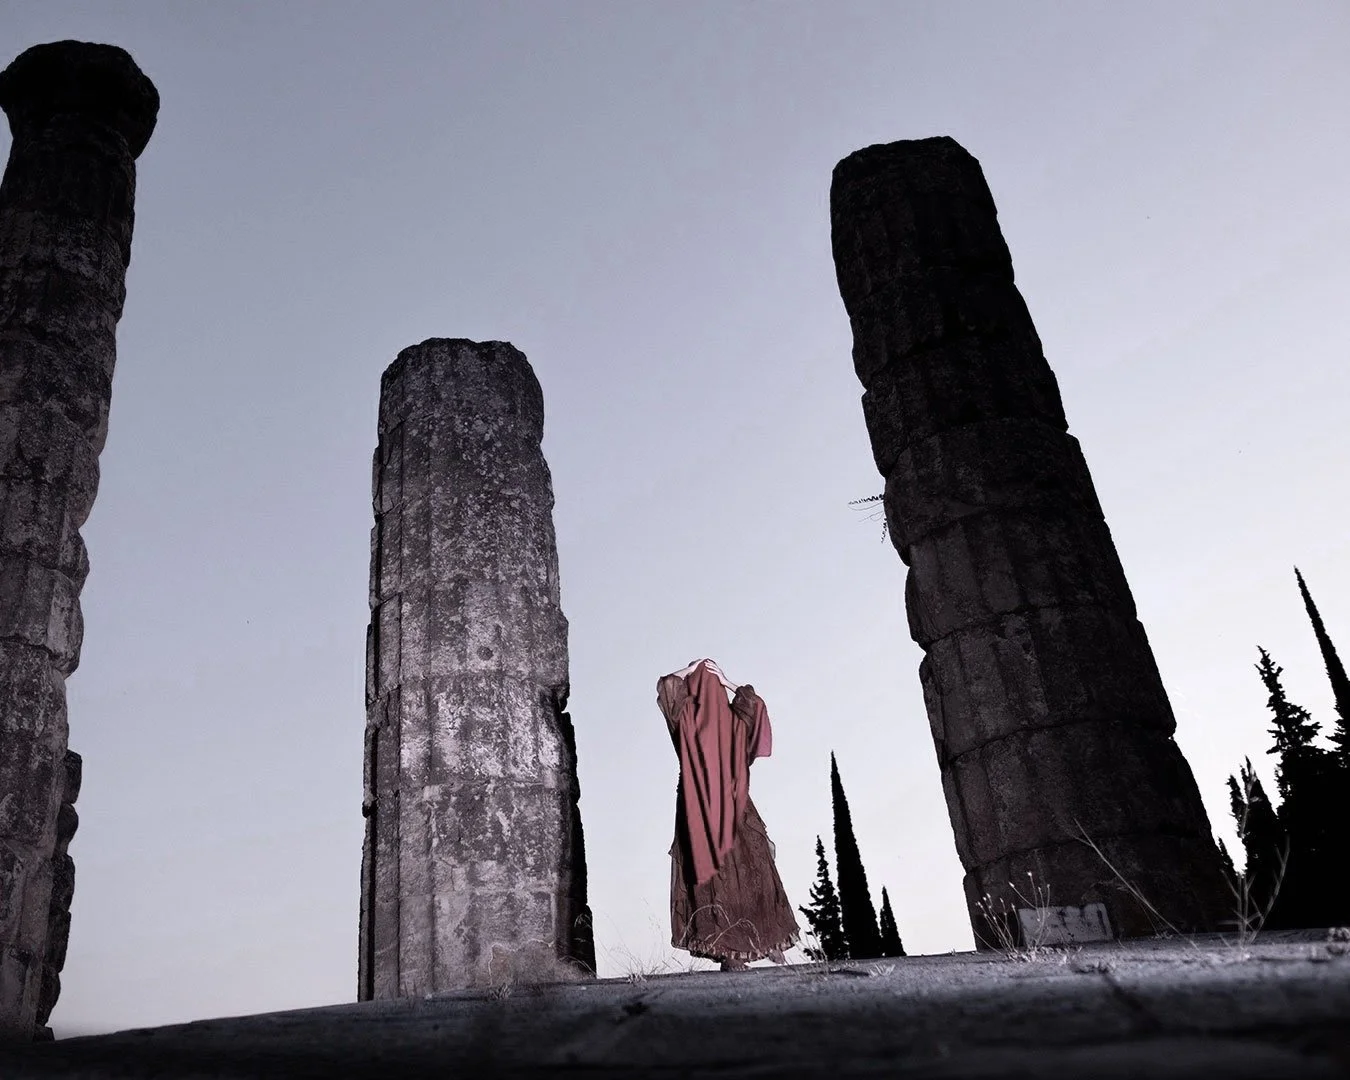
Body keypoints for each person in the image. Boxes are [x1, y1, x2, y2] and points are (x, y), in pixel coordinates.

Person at [656, 658, 799, 970]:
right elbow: (755, 704)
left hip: (700, 809)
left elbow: (666, 685)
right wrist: (726, 681)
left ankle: (739, 951)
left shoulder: (686, 718)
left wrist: (689, 671)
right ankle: (750, 947)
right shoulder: (732, 721)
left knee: (719, 878)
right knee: (751, 871)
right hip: (733, 808)